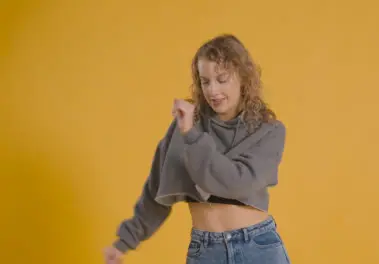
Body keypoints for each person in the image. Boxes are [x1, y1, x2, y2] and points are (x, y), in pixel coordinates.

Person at [103, 34, 290, 264]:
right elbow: (156, 190)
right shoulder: (187, 124)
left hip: (258, 248)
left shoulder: (269, 131)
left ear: (243, 77)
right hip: (206, 251)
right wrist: (124, 242)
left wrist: (192, 136)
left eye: (222, 79)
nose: (212, 90)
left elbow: (236, 183)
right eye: (205, 81)